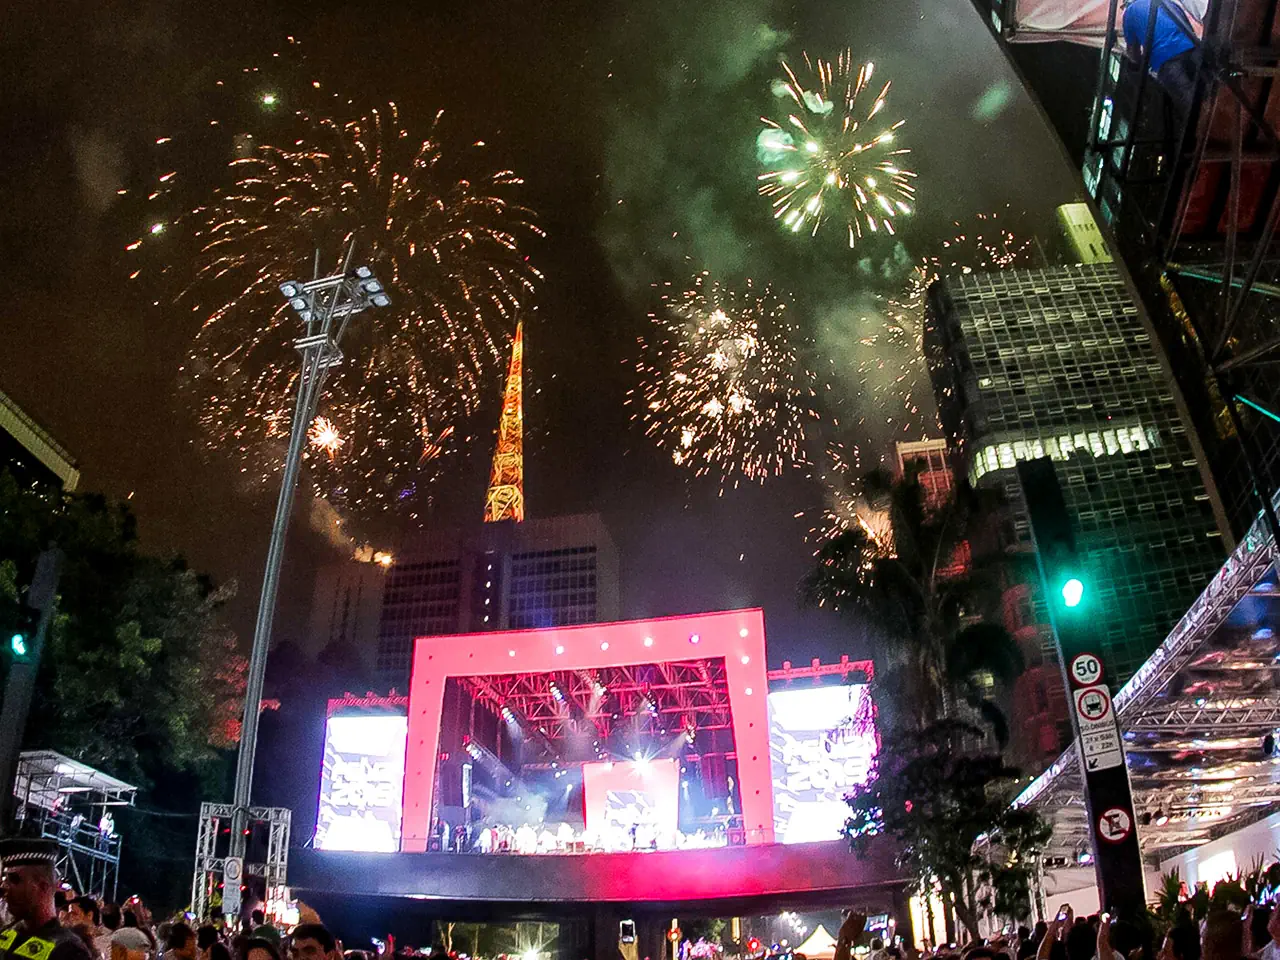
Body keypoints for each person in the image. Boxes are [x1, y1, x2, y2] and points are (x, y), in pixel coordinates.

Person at [0, 837, 95, 960]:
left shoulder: (67, 950)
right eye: (4, 879)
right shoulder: (6, 934)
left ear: (43, 887)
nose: (4, 886)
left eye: (14, 879)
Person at [1121, 0, 1199, 115]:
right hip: (1190, 47)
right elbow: (1183, 18)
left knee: (1190, 106)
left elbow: (1133, 52)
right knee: (1210, 87)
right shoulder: (1163, 1)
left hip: (1165, 60)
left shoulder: (1129, 13)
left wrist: (1140, 62)